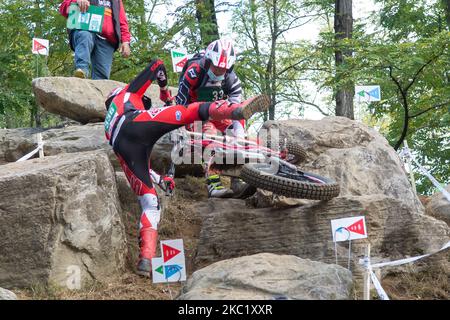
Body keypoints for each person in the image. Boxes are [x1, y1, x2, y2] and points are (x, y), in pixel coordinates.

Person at [104, 59, 270, 277]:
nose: (145, 103)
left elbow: (135, 167)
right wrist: (164, 91)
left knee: (150, 203)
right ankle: (236, 111)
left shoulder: (108, 125)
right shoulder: (127, 93)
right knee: (191, 111)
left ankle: (145, 260)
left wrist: (162, 180)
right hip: (134, 123)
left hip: (124, 148)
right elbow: (157, 65)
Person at [176, 38, 254, 199]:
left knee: (236, 136)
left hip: (218, 109)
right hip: (194, 111)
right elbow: (180, 103)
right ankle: (213, 184)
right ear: (208, 60)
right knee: (210, 138)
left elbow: (236, 110)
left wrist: (239, 133)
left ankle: (237, 180)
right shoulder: (193, 71)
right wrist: (180, 127)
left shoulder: (232, 79)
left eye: (223, 68)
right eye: (216, 67)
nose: (219, 71)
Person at [59, 0, 131, 79]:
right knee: (85, 35)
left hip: (107, 40)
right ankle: (81, 71)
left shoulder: (117, 1)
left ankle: (98, 88)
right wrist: (77, 2)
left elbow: (122, 22)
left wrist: (125, 41)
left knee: (102, 78)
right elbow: (63, 8)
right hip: (85, 31)